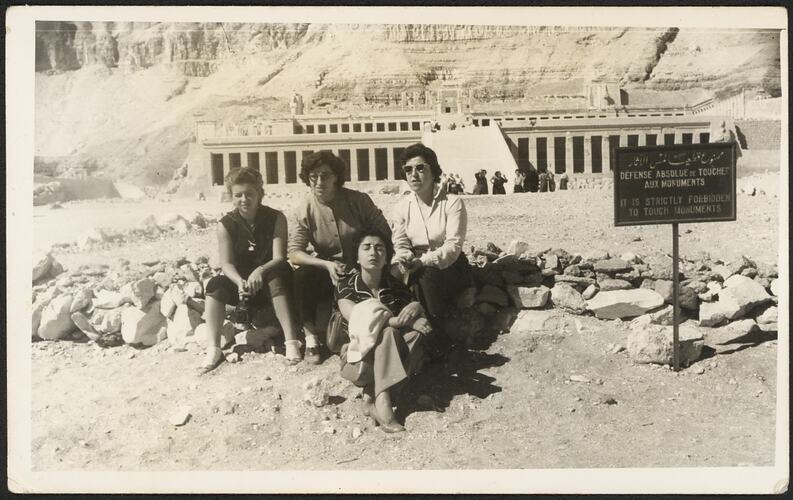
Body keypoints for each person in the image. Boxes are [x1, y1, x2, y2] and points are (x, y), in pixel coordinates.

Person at [288, 151, 391, 364]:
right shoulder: (304, 207)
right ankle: (311, 339)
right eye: (313, 176)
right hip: (330, 270)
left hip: (363, 265)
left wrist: (364, 260)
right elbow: (295, 253)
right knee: (301, 276)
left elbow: (383, 234)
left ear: (336, 176)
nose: (319, 182)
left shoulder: (359, 201)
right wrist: (326, 264)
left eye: (325, 175)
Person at [200, 168, 303, 372]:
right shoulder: (226, 224)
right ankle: (213, 348)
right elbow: (226, 263)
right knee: (215, 285)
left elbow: (279, 258)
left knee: (276, 278)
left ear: (259, 194)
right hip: (243, 284)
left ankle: (291, 342)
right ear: (231, 196)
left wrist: (259, 271)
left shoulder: (276, 218)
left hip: (272, 277)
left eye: (249, 194)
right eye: (238, 195)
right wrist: (239, 281)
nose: (244, 200)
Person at [336, 230, 432, 433]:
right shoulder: (346, 285)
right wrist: (398, 320)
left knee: (414, 334)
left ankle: (373, 395)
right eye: (366, 247)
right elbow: (358, 317)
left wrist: (417, 308)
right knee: (389, 331)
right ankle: (385, 404)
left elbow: (418, 320)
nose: (373, 252)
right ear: (357, 257)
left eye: (380, 248)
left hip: (386, 357)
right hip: (359, 359)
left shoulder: (395, 286)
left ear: (387, 257)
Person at [391, 143, 475, 361]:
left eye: (420, 168)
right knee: (392, 275)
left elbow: (453, 246)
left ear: (433, 171)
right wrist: (405, 257)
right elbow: (400, 242)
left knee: (425, 277)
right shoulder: (401, 206)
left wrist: (423, 261)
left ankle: (436, 342)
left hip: (450, 265)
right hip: (416, 261)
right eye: (408, 169)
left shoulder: (452, 203)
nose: (414, 174)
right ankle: (399, 331)